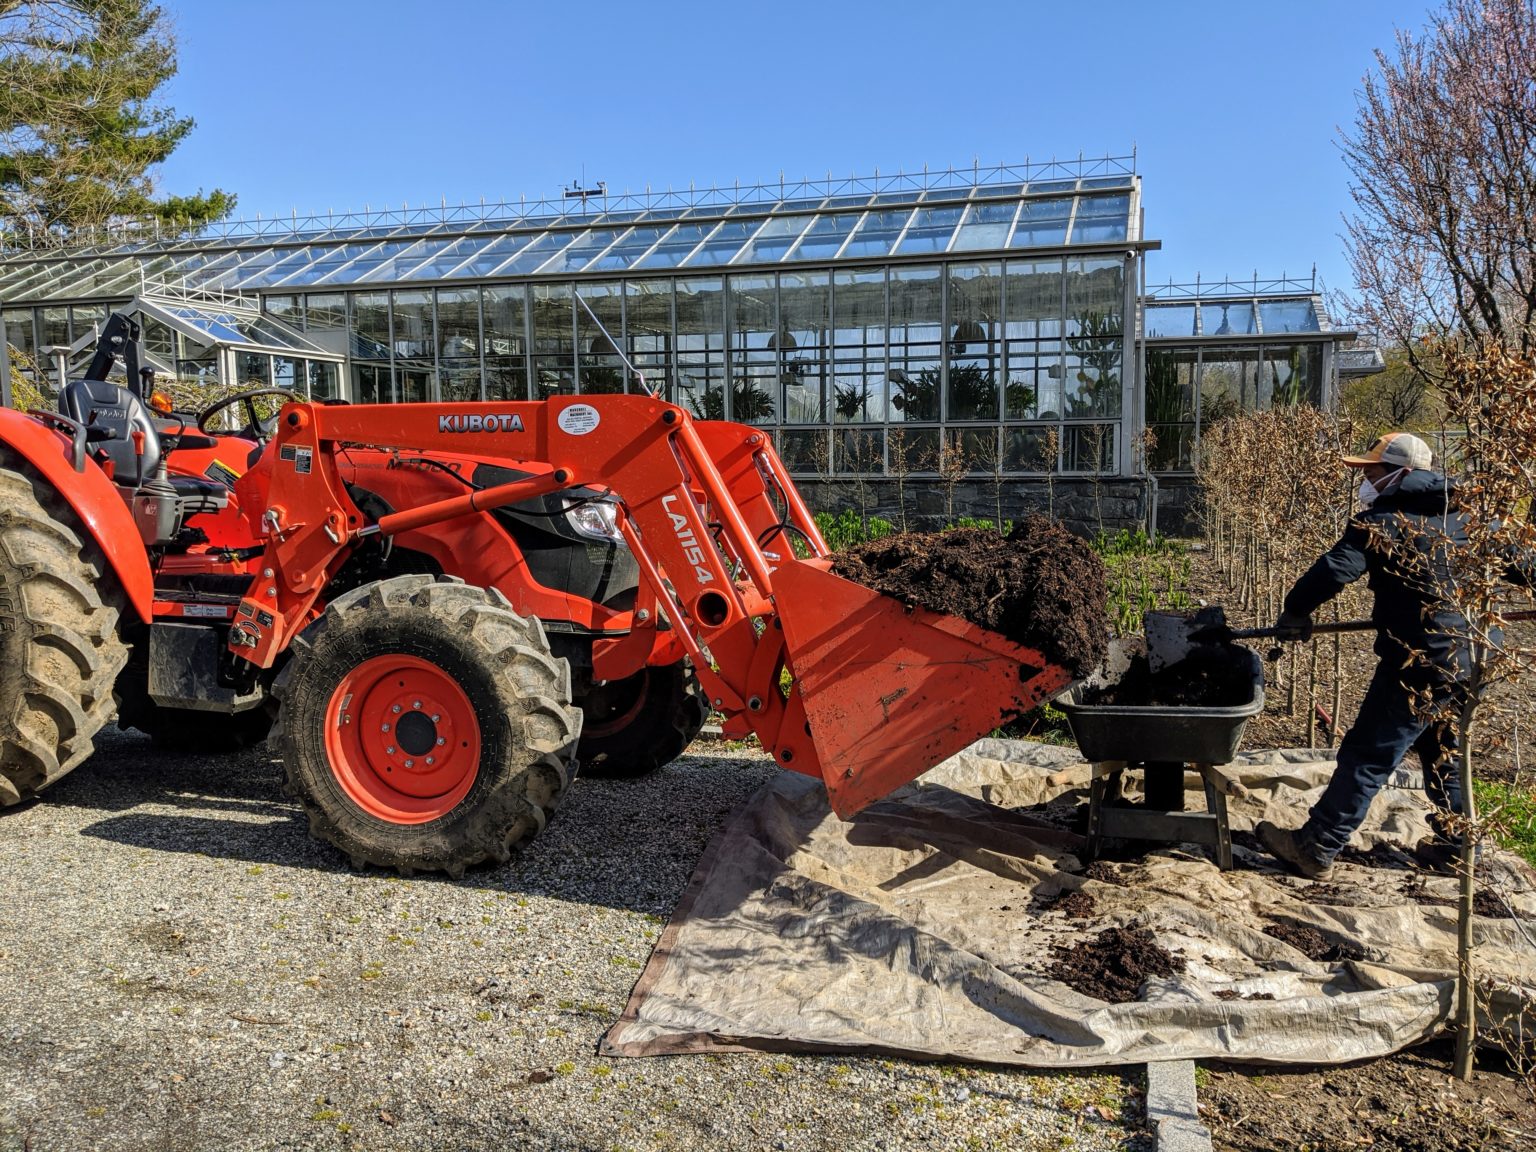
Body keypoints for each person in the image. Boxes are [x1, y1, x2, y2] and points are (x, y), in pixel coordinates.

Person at [1255, 431, 1507, 880]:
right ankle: (1459, 848)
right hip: (1474, 662)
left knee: (1368, 754)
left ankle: (1317, 846)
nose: (1364, 479)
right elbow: (1526, 564)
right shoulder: (1475, 518)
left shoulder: (1384, 520)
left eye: (1370, 471)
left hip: (1417, 662)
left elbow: (1335, 570)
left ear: (1402, 473)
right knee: (1446, 751)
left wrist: (1295, 612)